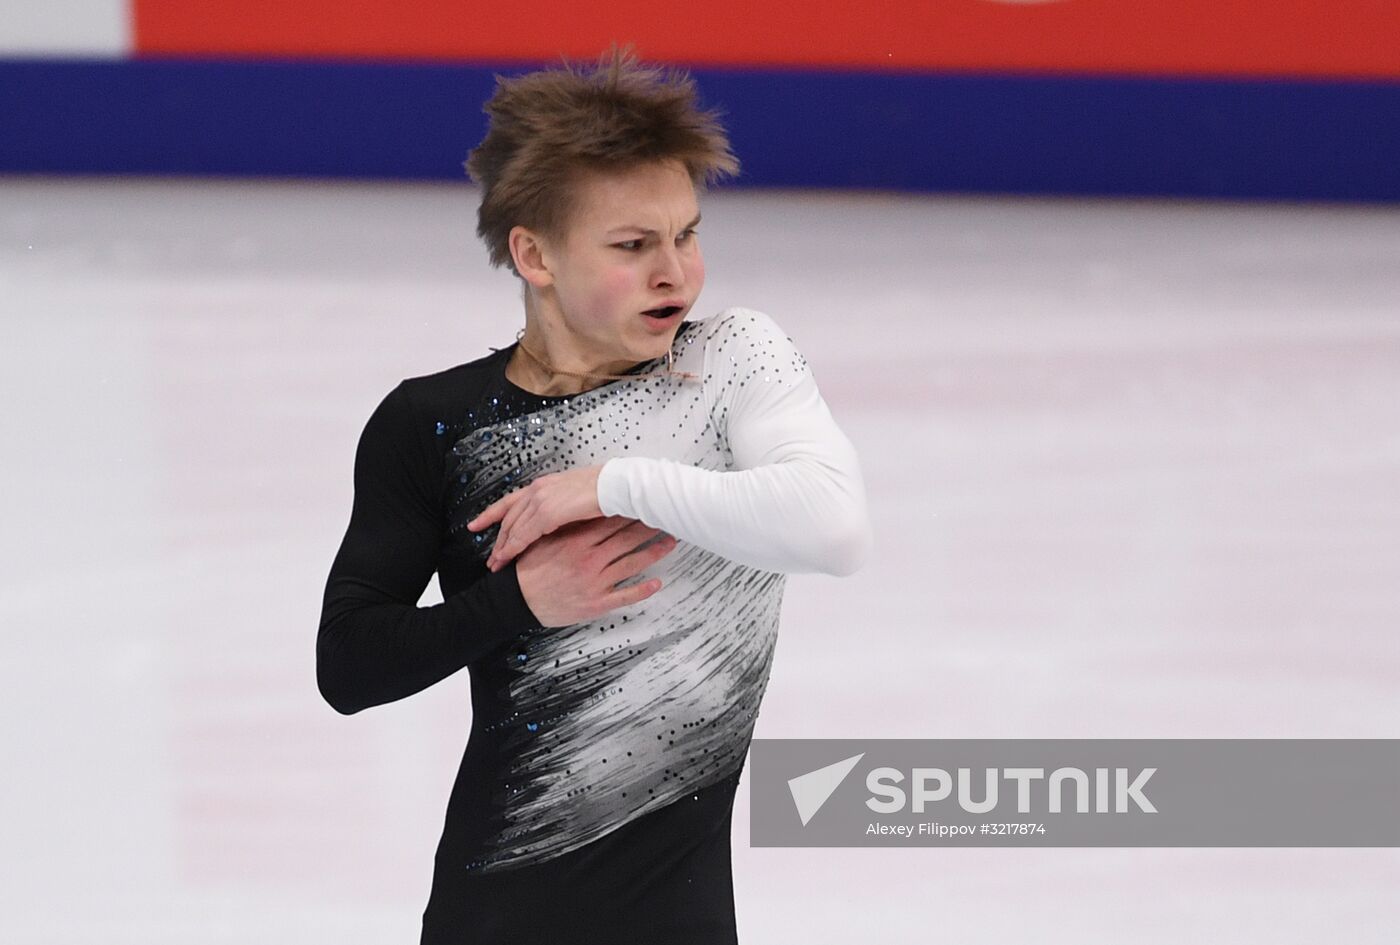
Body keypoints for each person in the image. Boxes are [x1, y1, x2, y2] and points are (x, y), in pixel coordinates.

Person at [315, 43, 872, 944]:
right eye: (633, 246)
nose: (676, 274)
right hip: (492, 916)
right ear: (535, 254)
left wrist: (617, 484)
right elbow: (348, 665)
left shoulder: (731, 361)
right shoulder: (435, 423)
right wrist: (519, 600)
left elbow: (836, 528)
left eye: (687, 234)